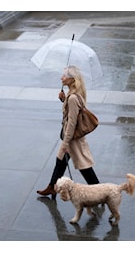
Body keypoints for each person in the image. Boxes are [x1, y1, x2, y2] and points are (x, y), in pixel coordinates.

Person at [37, 65, 100, 198]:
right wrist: (63, 100)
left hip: (72, 139)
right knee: (60, 161)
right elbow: (72, 113)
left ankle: (99, 191)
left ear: (72, 79)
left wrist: (66, 142)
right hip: (70, 137)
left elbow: (72, 122)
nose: (62, 77)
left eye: (64, 75)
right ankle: (52, 187)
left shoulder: (72, 98)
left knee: (85, 167)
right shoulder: (73, 95)